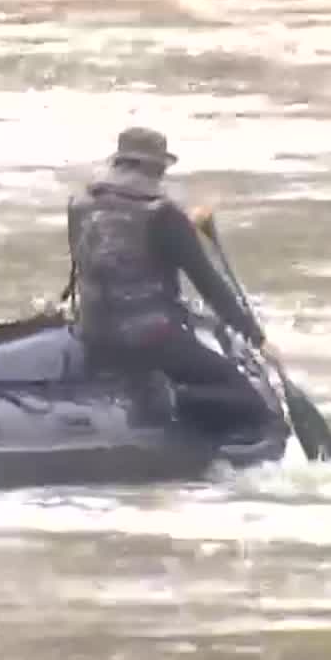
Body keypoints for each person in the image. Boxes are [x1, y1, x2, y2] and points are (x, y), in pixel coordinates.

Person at [65, 127, 276, 434]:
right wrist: (259, 339)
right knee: (249, 402)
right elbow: (209, 285)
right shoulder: (163, 214)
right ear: (158, 168)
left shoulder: (80, 205)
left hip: (94, 334)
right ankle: (172, 399)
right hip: (151, 338)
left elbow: (92, 264)